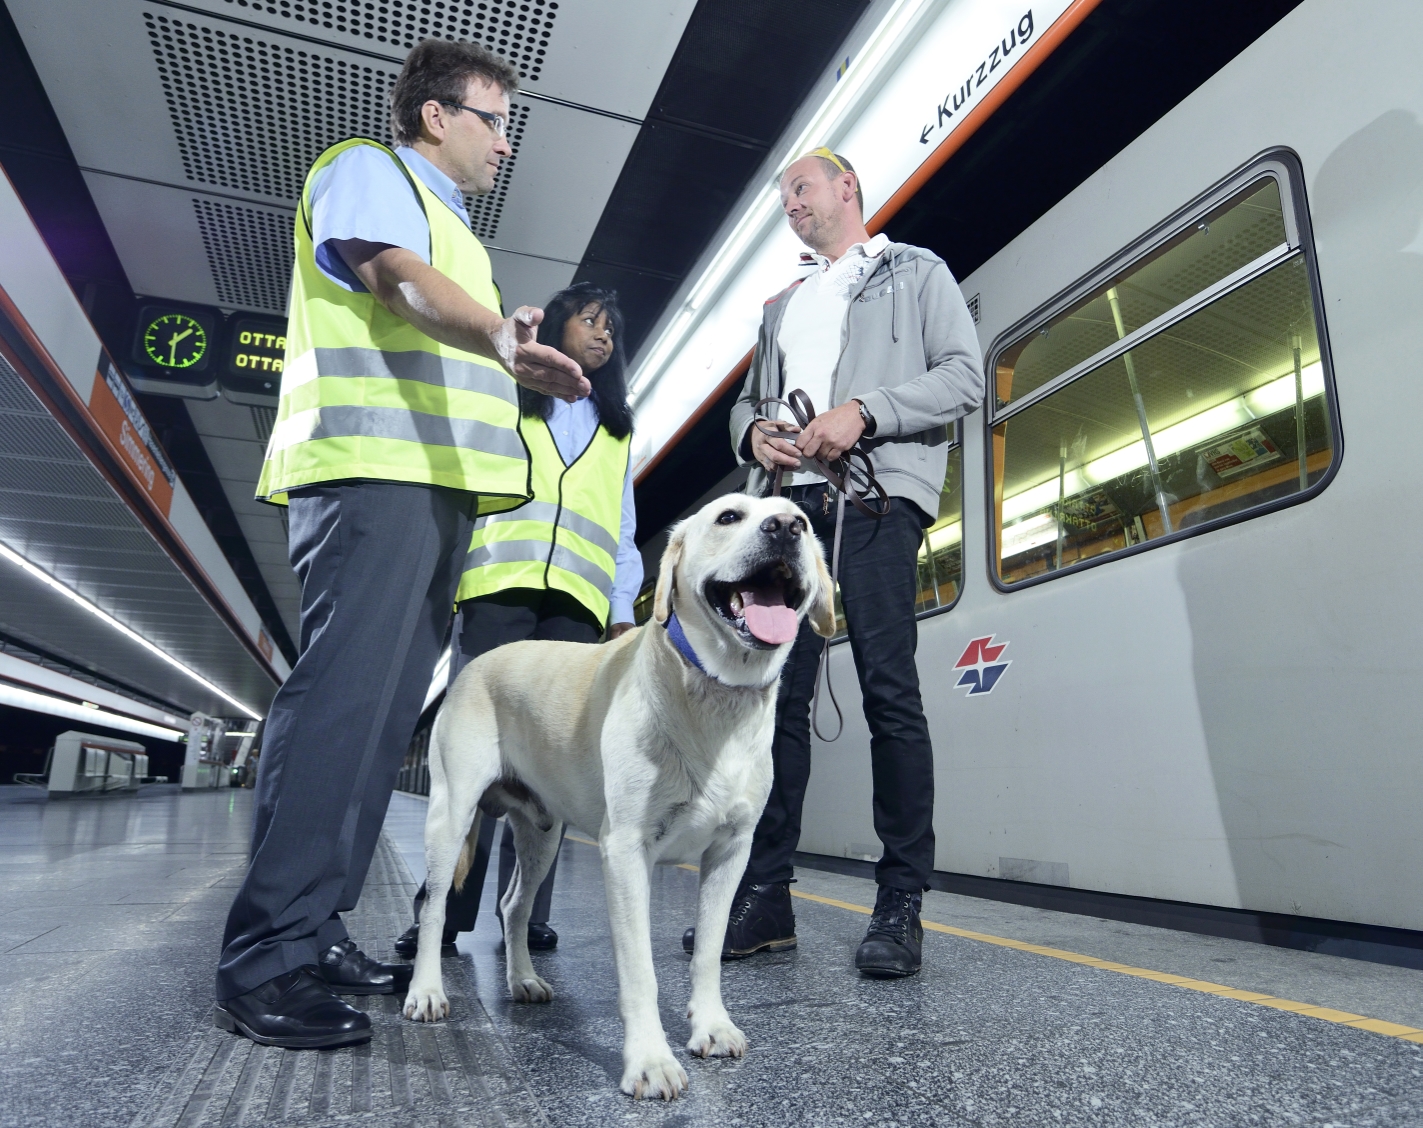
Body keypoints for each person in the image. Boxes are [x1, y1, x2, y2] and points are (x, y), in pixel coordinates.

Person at [213, 40, 590, 1050]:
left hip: (432, 491)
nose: (503, 145)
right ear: (435, 117)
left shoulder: (461, 233)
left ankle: (317, 926)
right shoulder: (366, 172)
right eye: (492, 121)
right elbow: (391, 281)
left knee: (382, 724)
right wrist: (502, 340)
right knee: (340, 703)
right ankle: (266, 951)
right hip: (371, 473)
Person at [690, 148, 985, 978]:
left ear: (845, 187)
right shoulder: (782, 306)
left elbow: (964, 376)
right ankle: (766, 896)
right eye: (783, 197)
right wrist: (751, 433)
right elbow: (750, 404)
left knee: (889, 690)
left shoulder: (913, 271)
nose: (789, 206)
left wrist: (866, 412)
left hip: (877, 499)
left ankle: (899, 903)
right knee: (772, 703)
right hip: (788, 516)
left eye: (800, 189)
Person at [393, 282, 641, 960]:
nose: (602, 337)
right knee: (473, 761)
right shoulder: (508, 396)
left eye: (611, 330)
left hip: (575, 606)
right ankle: (439, 913)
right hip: (499, 588)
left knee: (553, 765)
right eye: (590, 321)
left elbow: (622, 527)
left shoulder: (618, 427)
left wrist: (622, 612)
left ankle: (525, 916)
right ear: (555, 325)